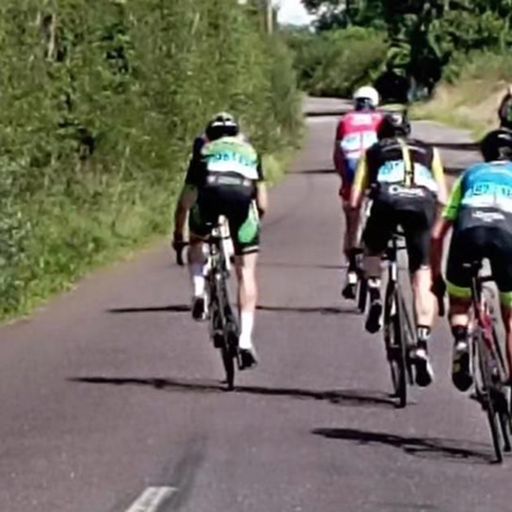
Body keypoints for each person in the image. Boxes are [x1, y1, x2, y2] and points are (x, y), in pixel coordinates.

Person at [350, 113, 448, 387]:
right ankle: (422, 343)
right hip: (422, 205)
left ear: (381, 134)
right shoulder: (429, 150)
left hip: (387, 201)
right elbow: (442, 198)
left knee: (372, 249)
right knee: (421, 275)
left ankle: (374, 291)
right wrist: (434, 229)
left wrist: (355, 239)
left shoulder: (373, 151)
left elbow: (355, 201)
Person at [172, 112, 268, 370]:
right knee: (246, 273)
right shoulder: (249, 151)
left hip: (209, 198)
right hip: (242, 201)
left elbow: (185, 202)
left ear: (209, 136)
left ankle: (198, 292)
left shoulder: (204, 151)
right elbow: (262, 203)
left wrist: (179, 236)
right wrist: (253, 225)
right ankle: (245, 340)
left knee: (197, 242)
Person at [431, 129, 512, 391]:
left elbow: (436, 234)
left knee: (459, 304)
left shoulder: (470, 175)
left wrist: (435, 277)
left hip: (468, 233)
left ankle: (461, 340)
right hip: (506, 236)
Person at [333, 85, 384, 299]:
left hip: (352, 168)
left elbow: (338, 155)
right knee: (380, 219)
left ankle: (352, 270)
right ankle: (375, 267)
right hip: (373, 168)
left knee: (351, 221)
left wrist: (344, 181)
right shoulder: (381, 120)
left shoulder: (345, 120)